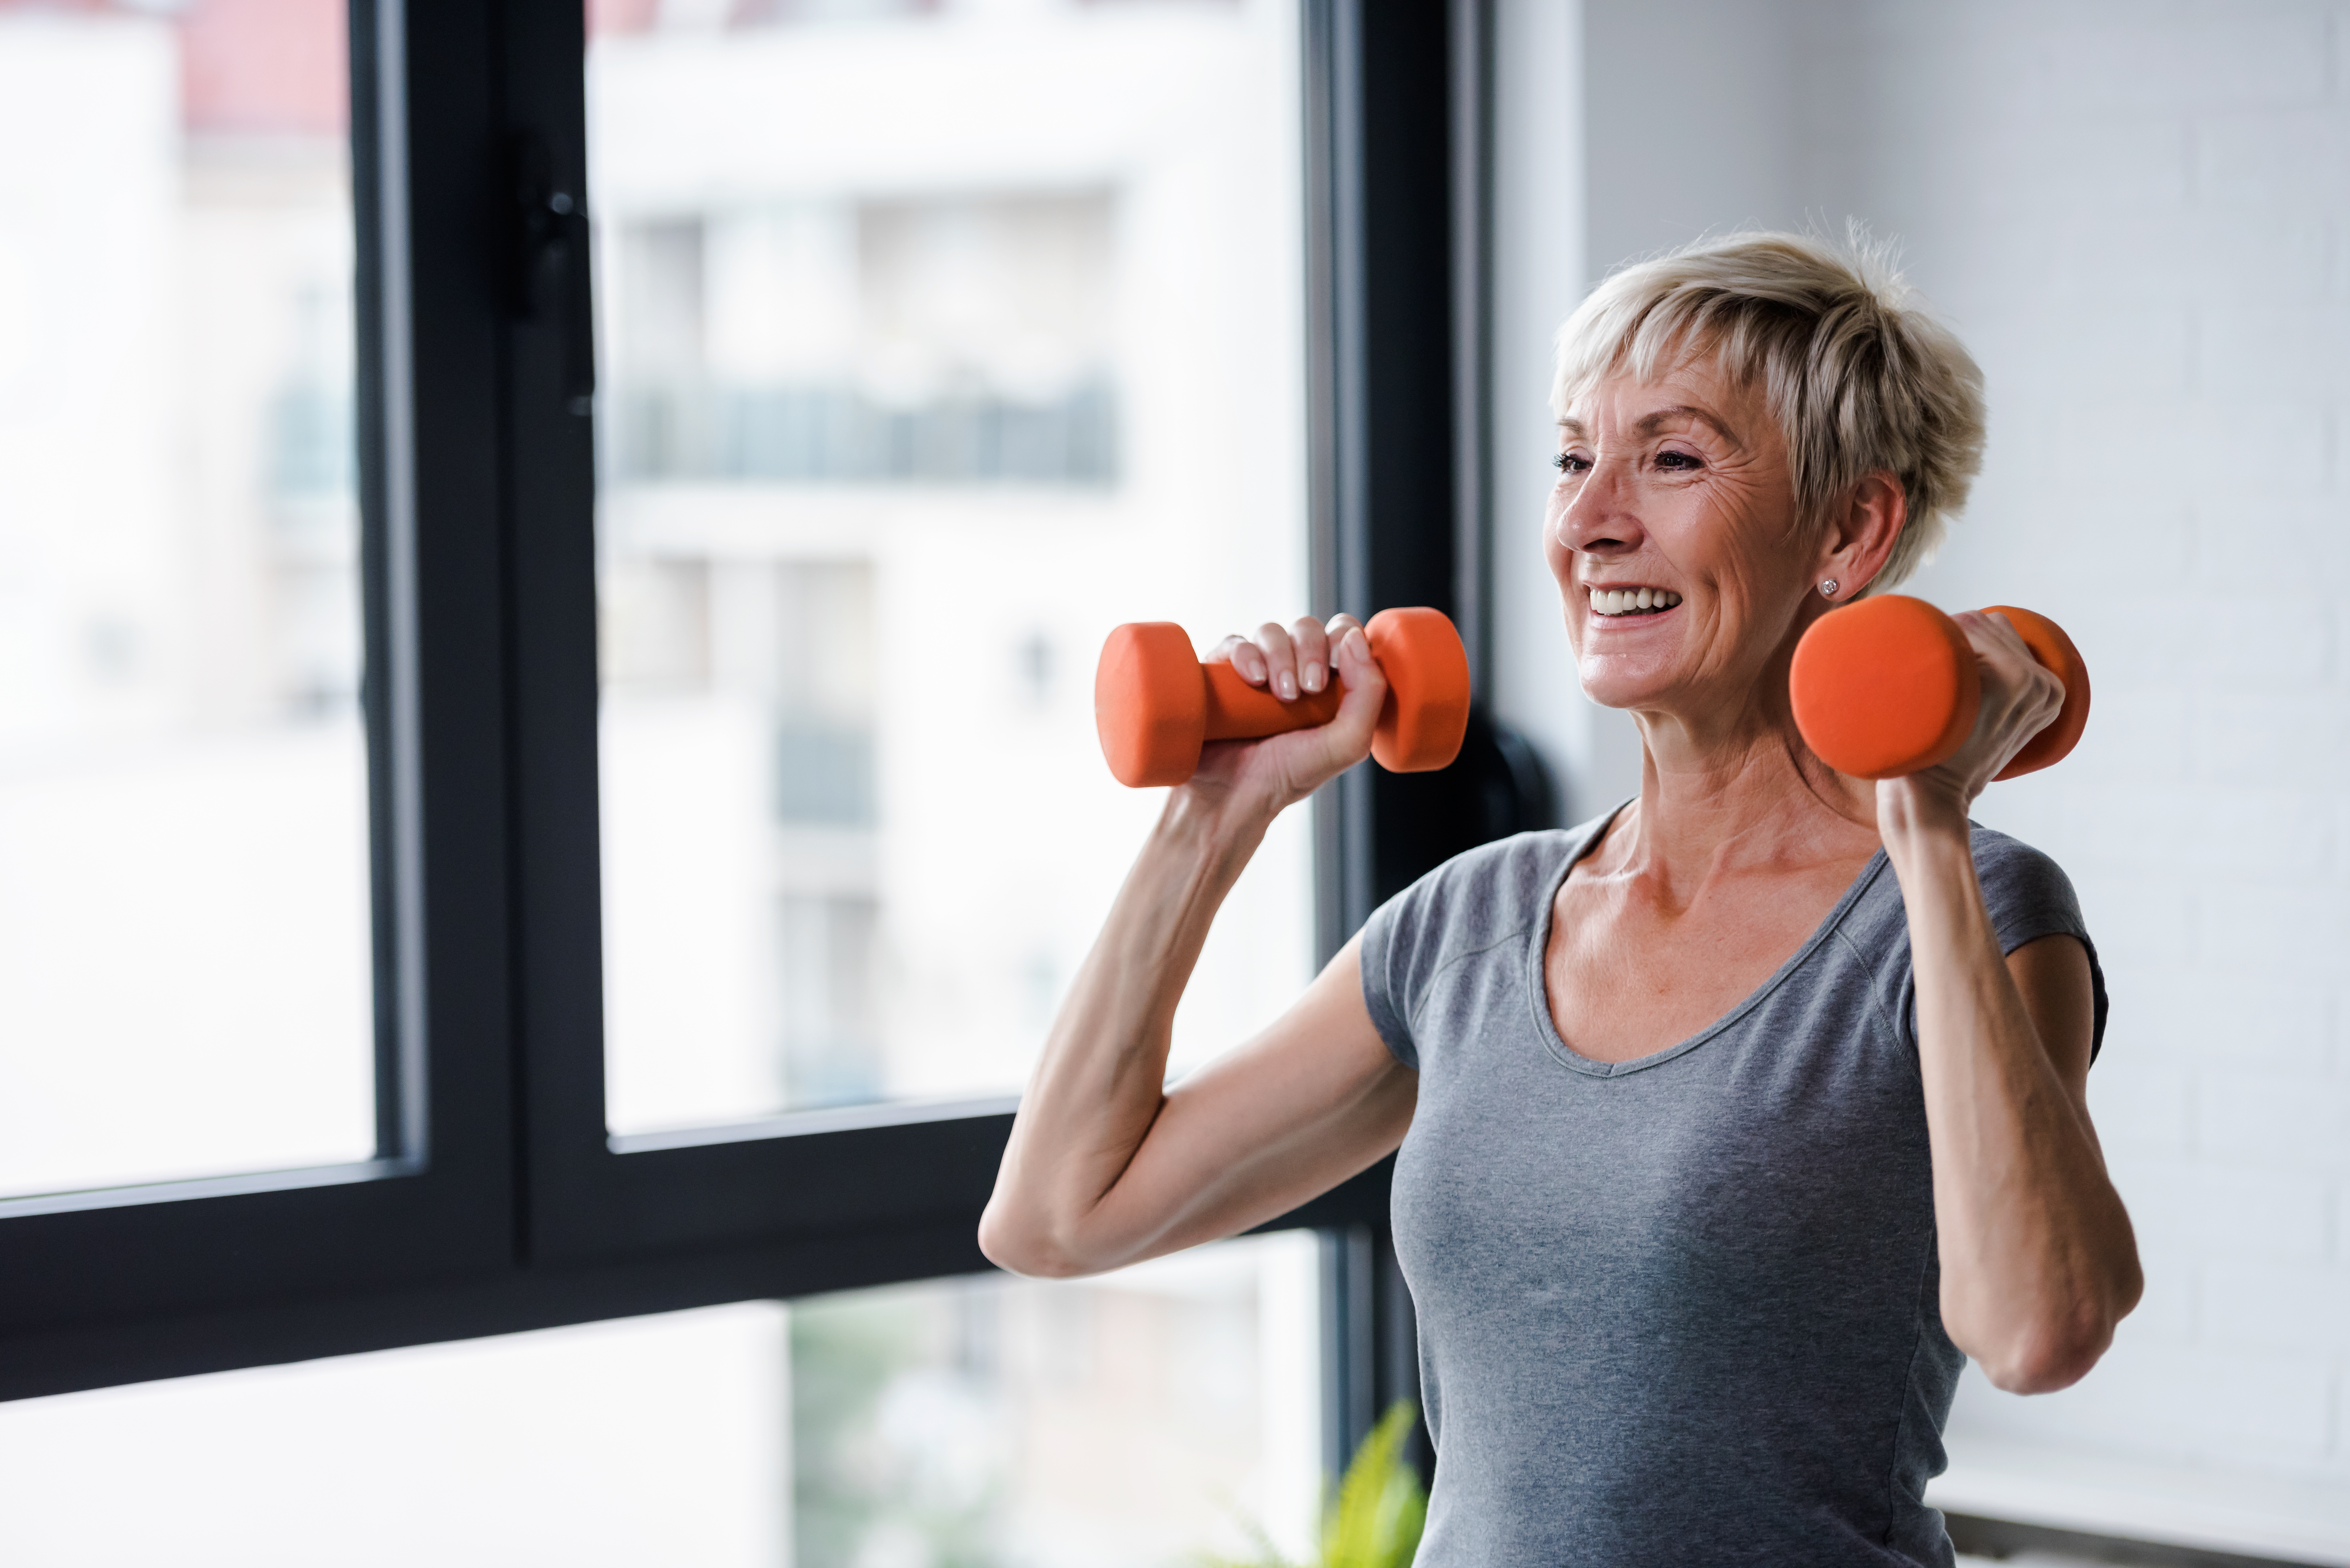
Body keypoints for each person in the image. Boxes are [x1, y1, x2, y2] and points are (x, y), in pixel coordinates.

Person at [978, 230, 2142, 1566]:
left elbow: (2040, 1328)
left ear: (1848, 531)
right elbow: (1056, 1217)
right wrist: (1213, 814)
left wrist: (1924, 815)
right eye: (1573, 456)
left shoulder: (1973, 913)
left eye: (1673, 456)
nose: (1591, 520)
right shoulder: (1466, 927)